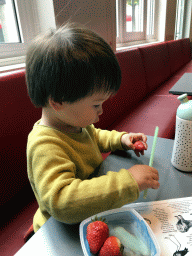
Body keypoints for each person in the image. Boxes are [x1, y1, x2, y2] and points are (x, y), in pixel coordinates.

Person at [26, 22, 160, 233]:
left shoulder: (73, 124)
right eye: (96, 104)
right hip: (60, 230)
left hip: (91, 213)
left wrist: (121, 140)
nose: (101, 112)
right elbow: (62, 202)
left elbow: (94, 137)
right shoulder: (45, 145)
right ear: (58, 102)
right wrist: (128, 181)